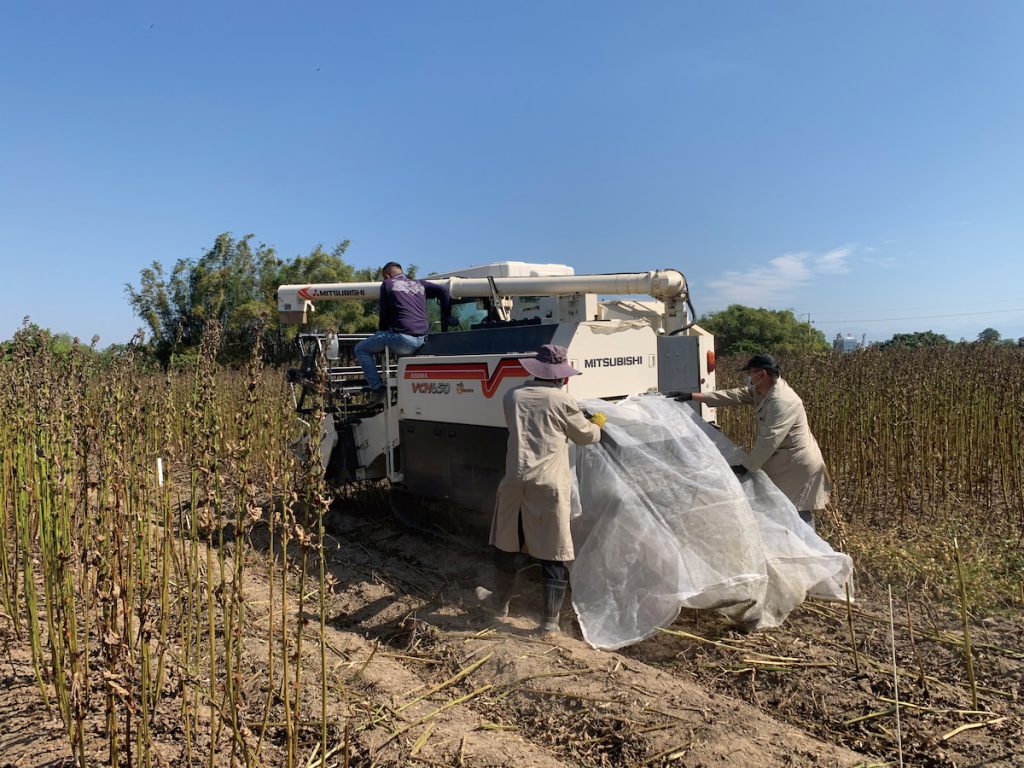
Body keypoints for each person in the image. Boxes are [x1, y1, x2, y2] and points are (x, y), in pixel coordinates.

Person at [478, 344, 606, 635]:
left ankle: (499, 604)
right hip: (549, 485)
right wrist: (596, 423)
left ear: (535, 370)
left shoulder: (512, 396)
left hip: (514, 482)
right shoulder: (564, 401)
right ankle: (549, 623)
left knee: (506, 543)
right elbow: (585, 437)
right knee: (553, 550)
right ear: (562, 376)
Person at [675, 353, 831, 529]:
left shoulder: (781, 401)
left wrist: (746, 467)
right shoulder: (763, 390)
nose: (747, 377)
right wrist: (693, 396)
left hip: (796, 464)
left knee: (797, 511)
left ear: (762, 374)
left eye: (750, 373)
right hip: (783, 461)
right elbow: (735, 395)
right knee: (783, 509)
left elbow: (769, 440)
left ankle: (813, 552)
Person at [355, 262, 453, 403]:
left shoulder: (387, 284)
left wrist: (381, 333)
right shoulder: (420, 284)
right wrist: (447, 316)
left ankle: (377, 388)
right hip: (422, 339)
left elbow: (384, 314)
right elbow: (444, 291)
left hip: (403, 339)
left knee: (361, 349)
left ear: (387, 276)